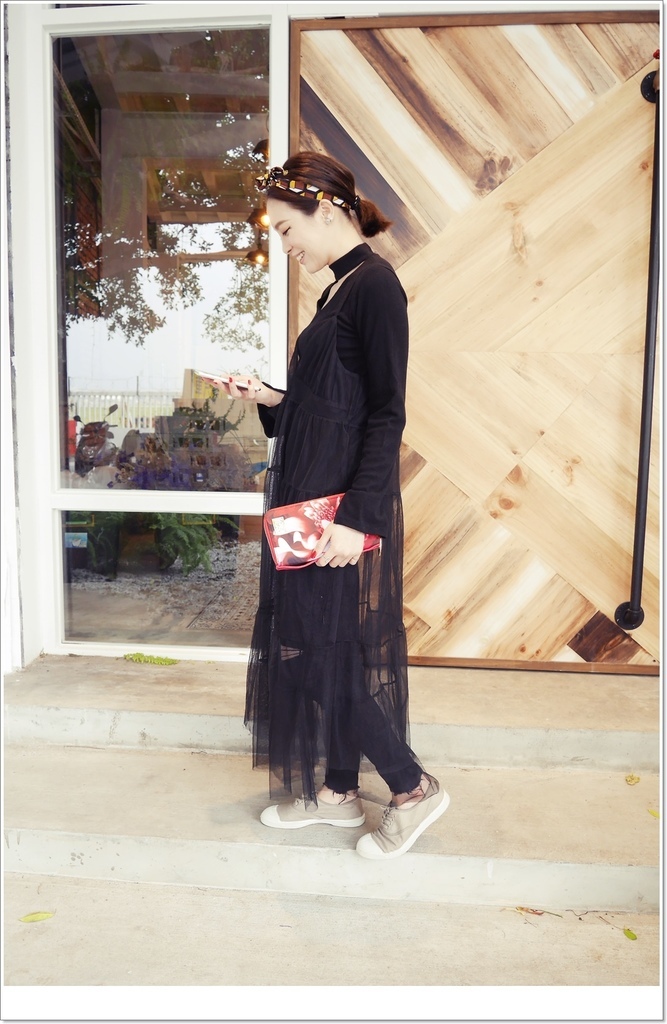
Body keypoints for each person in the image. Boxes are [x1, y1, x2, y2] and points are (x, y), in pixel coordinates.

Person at [220, 152, 449, 859]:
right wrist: (270, 399)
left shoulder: (374, 287)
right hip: (311, 503)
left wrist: (357, 518)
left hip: (334, 511)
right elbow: (331, 407)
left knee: (313, 654)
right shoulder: (339, 290)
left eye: (287, 230)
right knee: (327, 649)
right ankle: (339, 792)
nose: (285, 245)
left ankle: (411, 788)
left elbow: (385, 413)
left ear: (325, 209)